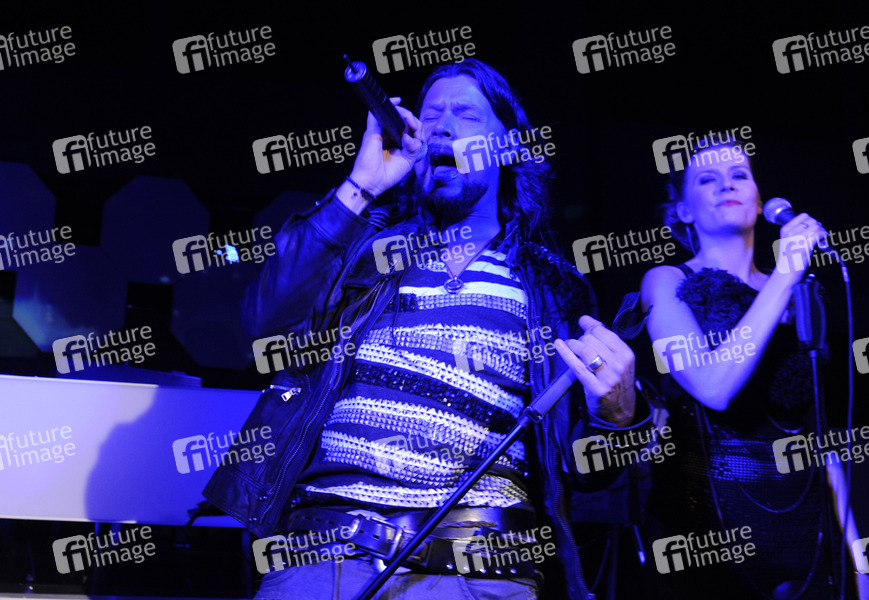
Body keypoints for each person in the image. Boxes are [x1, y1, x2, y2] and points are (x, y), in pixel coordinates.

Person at [203, 59, 651, 600]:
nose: (441, 126)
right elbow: (264, 321)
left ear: (508, 146)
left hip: (479, 573)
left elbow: (584, 472)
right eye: (431, 114)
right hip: (324, 558)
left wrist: (618, 418)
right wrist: (361, 185)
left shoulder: (555, 290)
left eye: (466, 114)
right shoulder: (365, 250)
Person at [639, 140, 869, 599]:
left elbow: (819, 437)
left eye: (739, 175)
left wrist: (861, 568)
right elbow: (712, 387)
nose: (727, 185)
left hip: (806, 525)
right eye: (707, 179)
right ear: (684, 210)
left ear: (758, 198)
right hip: (710, 525)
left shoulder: (799, 291)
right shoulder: (666, 281)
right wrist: (786, 274)